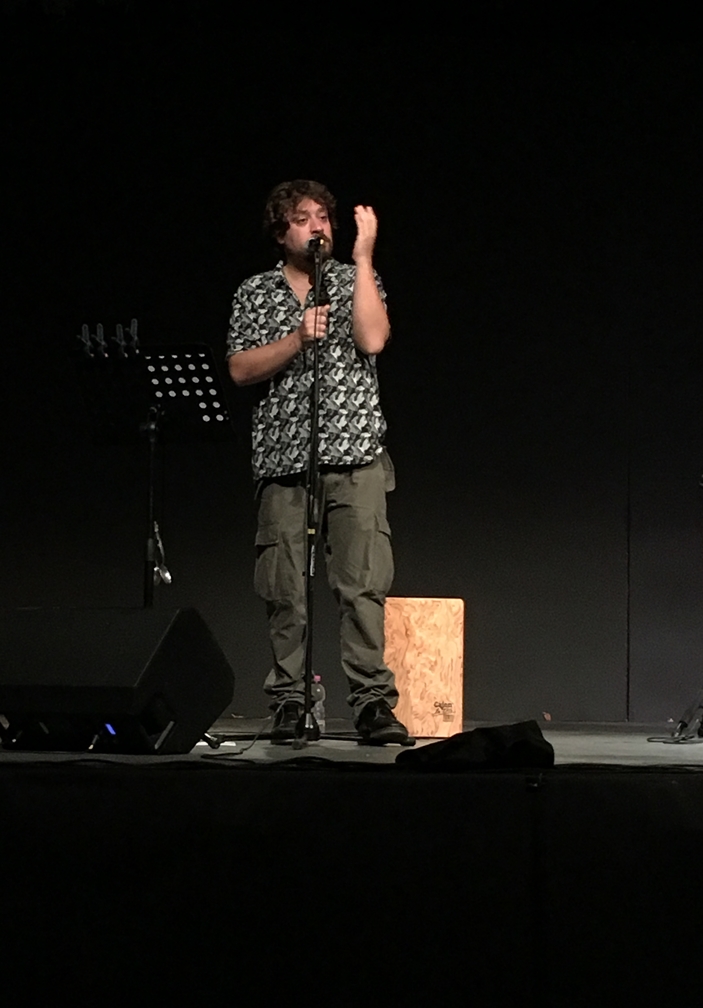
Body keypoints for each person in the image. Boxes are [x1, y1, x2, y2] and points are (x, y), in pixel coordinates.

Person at [226, 179, 408, 745]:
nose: (317, 227)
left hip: (356, 455)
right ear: (281, 231)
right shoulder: (256, 291)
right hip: (285, 460)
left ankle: (373, 704)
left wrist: (364, 257)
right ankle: (291, 700)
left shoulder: (356, 279)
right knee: (285, 589)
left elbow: (373, 340)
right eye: (303, 219)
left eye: (323, 217)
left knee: (362, 586)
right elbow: (239, 369)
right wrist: (295, 340)